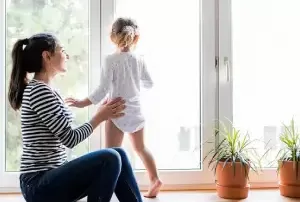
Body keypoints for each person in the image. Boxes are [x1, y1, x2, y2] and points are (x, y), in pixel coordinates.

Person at [8, 33, 143, 202]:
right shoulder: (39, 92)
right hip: (38, 185)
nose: (67, 55)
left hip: (50, 178)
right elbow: (70, 139)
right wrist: (100, 117)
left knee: (119, 153)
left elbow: (65, 132)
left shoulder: (46, 90)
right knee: (110, 157)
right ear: (47, 56)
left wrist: (102, 111)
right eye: (62, 50)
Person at [65, 17, 162, 198]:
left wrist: (81, 103)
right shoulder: (139, 60)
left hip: (116, 110)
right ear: (136, 38)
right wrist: (133, 87)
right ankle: (155, 179)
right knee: (141, 148)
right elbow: (149, 83)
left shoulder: (110, 60)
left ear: (112, 37)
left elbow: (102, 91)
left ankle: (107, 192)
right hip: (136, 110)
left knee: (111, 155)